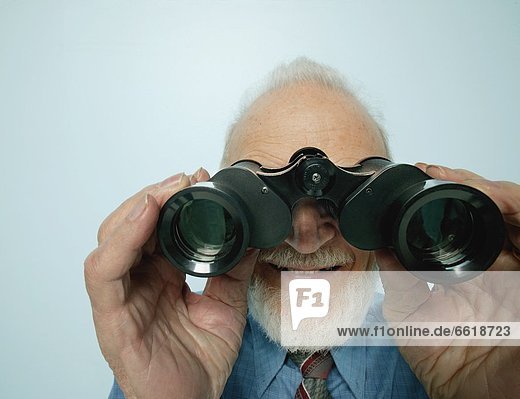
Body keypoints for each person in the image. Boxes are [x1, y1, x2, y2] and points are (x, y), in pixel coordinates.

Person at [84, 57, 520, 398]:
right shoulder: (171, 351)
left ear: (390, 211)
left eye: (351, 202)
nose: (306, 238)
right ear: (226, 215)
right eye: (264, 202)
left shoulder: (462, 345)